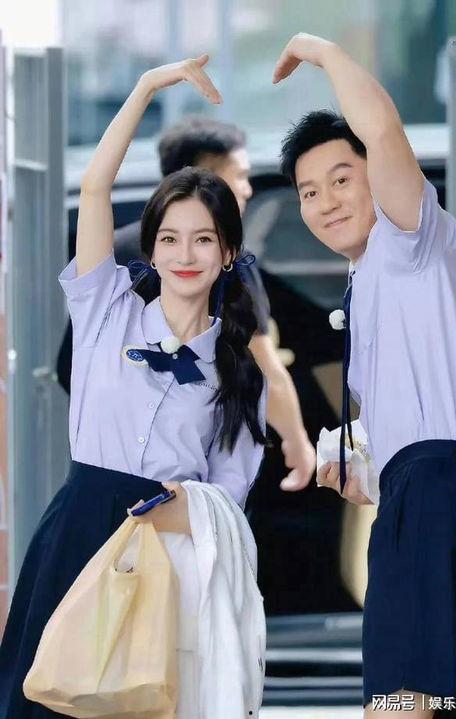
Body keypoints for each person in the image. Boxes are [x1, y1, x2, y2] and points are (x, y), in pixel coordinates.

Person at [0, 55, 267, 719]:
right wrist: (147, 87)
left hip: (164, 554)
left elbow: (231, 496)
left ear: (227, 254)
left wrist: (180, 510)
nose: (185, 254)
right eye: (169, 238)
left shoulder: (238, 372)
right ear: (150, 249)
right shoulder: (107, 309)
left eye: (203, 239)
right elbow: (96, 188)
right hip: (79, 530)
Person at [274, 32, 456, 718]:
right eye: (309, 191)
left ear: (378, 173)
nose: (326, 201)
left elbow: (381, 127)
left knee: (398, 703)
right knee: (449, 702)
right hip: (427, 495)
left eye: (342, 179)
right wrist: (361, 472)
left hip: (438, 494)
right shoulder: (367, 279)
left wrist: (321, 50)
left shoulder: (411, 239)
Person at [57, 115, 316, 492]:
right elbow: (265, 366)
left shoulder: (120, 247)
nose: (247, 189)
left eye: (203, 241)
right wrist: (296, 439)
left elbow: (67, 366)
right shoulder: (116, 292)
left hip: (153, 493)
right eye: (239, 175)